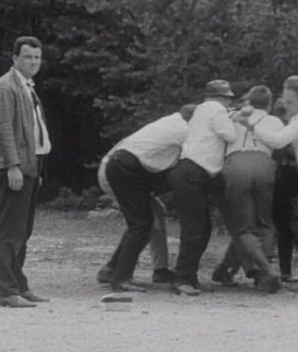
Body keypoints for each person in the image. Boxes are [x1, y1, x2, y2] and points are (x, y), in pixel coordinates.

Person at [96, 104, 198, 291]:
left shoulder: (171, 121)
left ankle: (115, 270)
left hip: (123, 166)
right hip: (120, 167)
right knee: (141, 223)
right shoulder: (183, 129)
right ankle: (120, 277)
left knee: (151, 219)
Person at [0, 36, 52, 308]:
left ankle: (19, 285)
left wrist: (34, 168)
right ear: (15, 58)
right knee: (9, 230)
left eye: (37, 57)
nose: (34, 62)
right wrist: (13, 166)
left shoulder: (27, 87)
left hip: (30, 164)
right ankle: (6, 290)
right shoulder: (6, 87)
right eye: (28, 57)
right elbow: (3, 130)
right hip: (15, 167)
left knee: (23, 230)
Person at [238, 75, 298, 292]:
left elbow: (279, 140)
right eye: (284, 99)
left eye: (290, 101)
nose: (285, 104)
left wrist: (250, 127)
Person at [168, 80, 238, 295]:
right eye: (228, 98)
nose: (229, 102)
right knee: (195, 228)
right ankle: (182, 278)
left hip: (190, 171)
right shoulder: (216, 109)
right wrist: (234, 119)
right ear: (221, 97)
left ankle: (189, 276)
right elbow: (230, 135)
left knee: (201, 227)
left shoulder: (201, 110)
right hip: (194, 172)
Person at [217, 85, 284, 293]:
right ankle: (235, 270)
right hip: (264, 163)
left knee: (243, 227)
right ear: (269, 104)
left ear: (249, 101)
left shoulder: (234, 117)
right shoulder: (275, 121)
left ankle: (266, 271)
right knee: (264, 222)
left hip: (237, 163)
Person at [271, 98, 298, 284]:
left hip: (278, 180)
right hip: (288, 180)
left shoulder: (272, 128)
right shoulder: (291, 130)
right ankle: (285, 272)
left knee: (280, 228)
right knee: (286, 229)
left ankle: (280, 271)